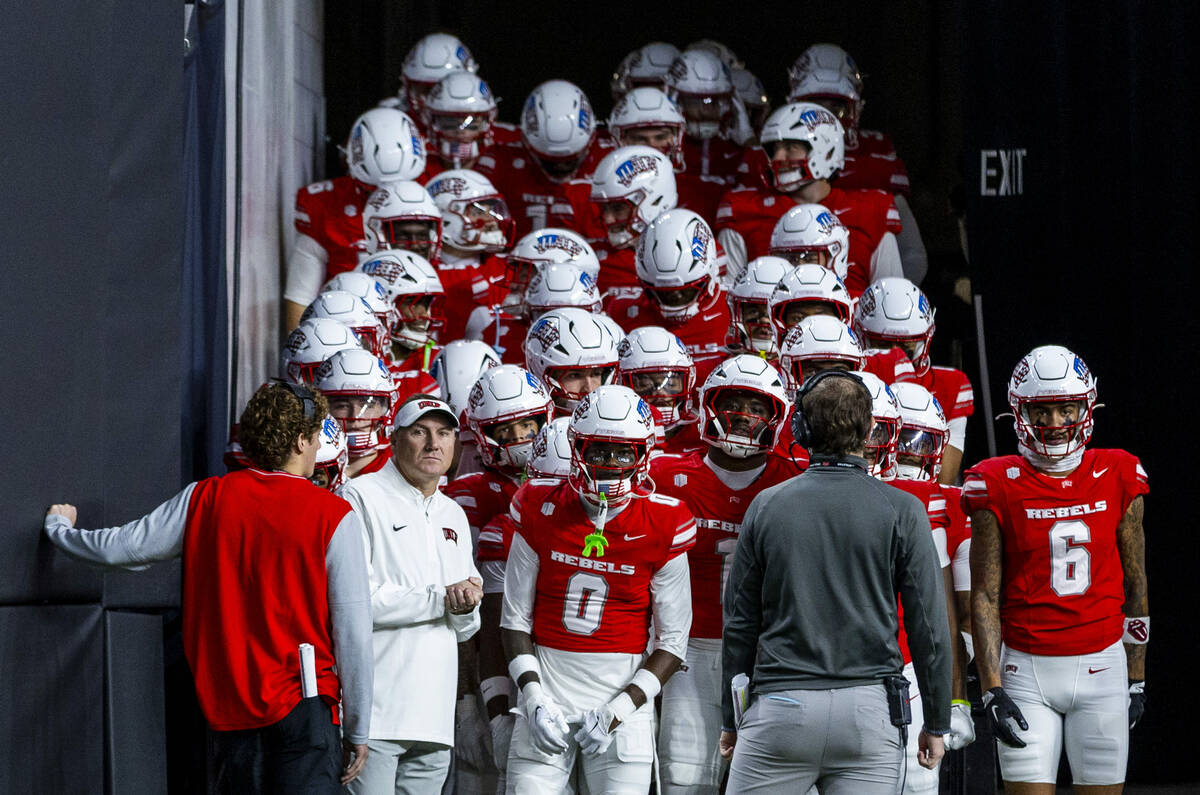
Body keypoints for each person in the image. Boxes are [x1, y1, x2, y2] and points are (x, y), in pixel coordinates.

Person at [44, 381, 373, 791]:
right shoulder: (333, 515)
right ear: (301, 440)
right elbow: (354, 631)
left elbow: (119, 550)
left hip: (227, 709)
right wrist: (359, 729)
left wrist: (60, 530)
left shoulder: (205, 498)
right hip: (304, 707)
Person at [721, 370, 951, 793]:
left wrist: (729, 718)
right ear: (870, 431)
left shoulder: (766, 505)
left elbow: (739, 623)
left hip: (782, 707)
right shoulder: (904, 508)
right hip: (870, 714)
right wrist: (936, 722)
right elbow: (929, 630)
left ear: (801, 429)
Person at [964, 345, 1149, 794]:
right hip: (1025, 670)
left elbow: (1136, 580)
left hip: (1104, 665)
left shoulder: (1119, 471)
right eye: (1041, 411)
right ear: (1019, 412)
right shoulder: (993, 481)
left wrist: (1137, 676)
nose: (1053, 424)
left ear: (1085, 408)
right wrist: (990, 687)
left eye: (1066, 410)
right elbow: (984, 594)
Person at [499, 385, 695, 793]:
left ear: (642, 455)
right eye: (598, 450)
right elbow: (513, 618)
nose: (609, 464)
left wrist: (619, 711)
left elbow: (674, 641)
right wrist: (532, 698)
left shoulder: (665, 519)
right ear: (577, 448)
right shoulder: (538, 503)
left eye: (623, 453)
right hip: (547, 688)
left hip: (622, 695)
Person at [652, 354, 797, 793]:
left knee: (765, 781)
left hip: (768, 651)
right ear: (708, 404)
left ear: (776, 416)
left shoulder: (794, 482)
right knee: (682, 776)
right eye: (733, 402)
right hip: (686, 650)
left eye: (756, 408)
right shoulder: (663, 473)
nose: (743, 416)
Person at [341, 394, 483, 794]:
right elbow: (355, 602)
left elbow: (465, 626)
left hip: (434, 720)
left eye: (444, 433)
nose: (433, 444)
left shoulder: (453, 513)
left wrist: (466, 604)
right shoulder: (359, 496)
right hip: (374, 717)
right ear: (395, 437)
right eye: (420, 432)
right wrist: (441, 599)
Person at [715, 101, 903, 293]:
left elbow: (890, 298)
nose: (777, 158)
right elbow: (731, 298)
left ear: (827, 151)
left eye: (791, 147)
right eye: (775, 149)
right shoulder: (745, 211)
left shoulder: (870, 212)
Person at [284, 107, 427, 329]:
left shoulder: (434, 199)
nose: (386, 201)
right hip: (350, 333)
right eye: (374, 190)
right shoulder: (329, 206)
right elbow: (301, 296)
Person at [853, 277, 973, 483]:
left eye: (906, 348)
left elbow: (943, 479)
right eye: (882, 344)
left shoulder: (951, 384)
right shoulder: (849, 381)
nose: (894, 357)